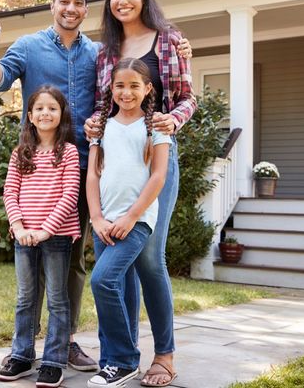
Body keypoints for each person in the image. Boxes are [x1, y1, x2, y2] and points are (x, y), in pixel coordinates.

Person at [0, 0, 99, 371]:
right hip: (37, 171)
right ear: (52, 5)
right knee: (32, 265)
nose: (71, 8)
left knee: (72, 262)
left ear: (85, 9)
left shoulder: (96, 53)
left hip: (83, 170)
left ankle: (65, 343)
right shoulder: (29, 46)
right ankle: (25, 346)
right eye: (64, 1)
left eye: (79, 3)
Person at [85, 0, 197, 387]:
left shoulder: (168, 39)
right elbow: (103, 104)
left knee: (150, 259)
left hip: (156, 154)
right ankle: (124, 355)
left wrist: (172, 120)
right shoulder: (105, 50)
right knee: (121, 263)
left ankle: (164, 355)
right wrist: (94, 126)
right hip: (116, 159)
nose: (122, 2)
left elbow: (188, 97)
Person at [86, 58, 171, 388]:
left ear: (148, 89)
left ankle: (123, 360)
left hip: (136, 221)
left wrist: (132, 215)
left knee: (103, 281)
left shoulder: (156, 128)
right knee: (114, 286)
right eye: (120, 85)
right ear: (111, 88)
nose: (126, 91)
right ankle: (110, 362)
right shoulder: (101, 128)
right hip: (104, 222)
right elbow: (92, 176)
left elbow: (159, 176)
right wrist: (96, 218)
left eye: (135, 85)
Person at [0, 86, 80, 388]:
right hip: (24, 235)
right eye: (40, 109)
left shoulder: (68, 152)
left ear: (61, 115)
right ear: (30, 116)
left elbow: (70, 194)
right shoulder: (21, 153)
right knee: (25, 298)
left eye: (52, 108)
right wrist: (18, 227)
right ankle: (21, 355)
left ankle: (54, 361)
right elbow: (10, 191)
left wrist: (47, 228)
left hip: (55, 236)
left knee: (57, 299)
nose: (46, 113)